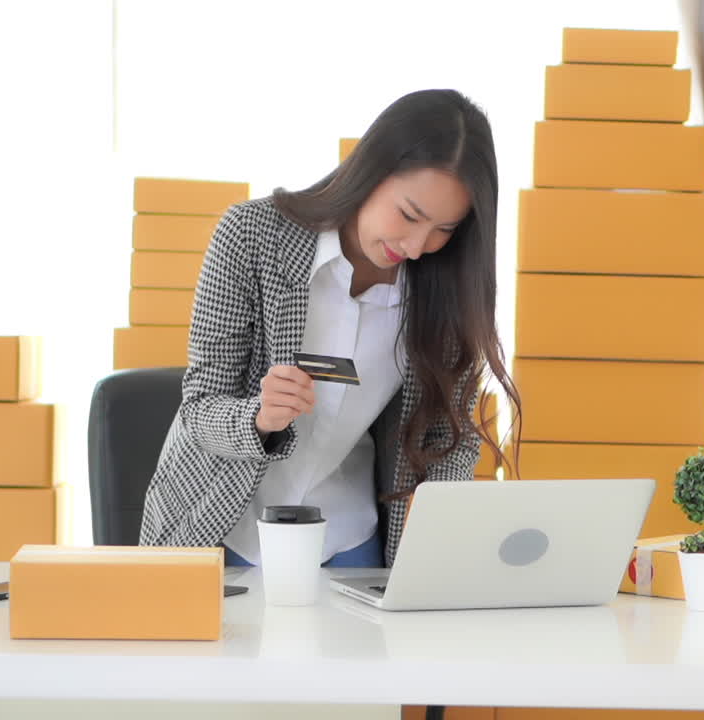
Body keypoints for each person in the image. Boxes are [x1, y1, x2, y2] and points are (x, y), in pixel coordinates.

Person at [139, 89, 520, 569]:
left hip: (348, 535)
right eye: (409, 215)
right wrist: (259, 418)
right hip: (219, 523)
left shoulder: (445, 289)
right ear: (370, 172)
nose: (419, 246)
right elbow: (200, 407)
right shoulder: (251, 236)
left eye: (444, 229)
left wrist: (439, 515)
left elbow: (449, 436)